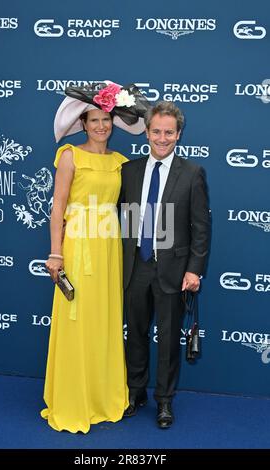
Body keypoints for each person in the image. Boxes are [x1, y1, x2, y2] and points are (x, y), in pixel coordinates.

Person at [41, 81, 150, 433]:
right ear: (83, 124)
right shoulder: (70, 155)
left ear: (113, 122)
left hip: (108, 248)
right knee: (77, 320)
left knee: (103, 320)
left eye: (106, 120)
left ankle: (102, 396)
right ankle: (74, 398)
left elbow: (138, 205)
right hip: (77, 246)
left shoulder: (121, 163)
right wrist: (56, 253)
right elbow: (58, 207)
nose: (100, 126)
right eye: (93, 120)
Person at [119, 101, 210, 429]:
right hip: (136, 267)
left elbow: (201, 228)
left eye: (168, 132)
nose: (162, 137)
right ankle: (135, 392)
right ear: (146, 132)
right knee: (136, 335)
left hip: (173, 271)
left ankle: (164, 401)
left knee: (169, 339)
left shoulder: (192, 173)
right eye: (156, 131)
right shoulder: (129, 171)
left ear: (179, 134)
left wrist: (194, 269)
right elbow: (125, 220)